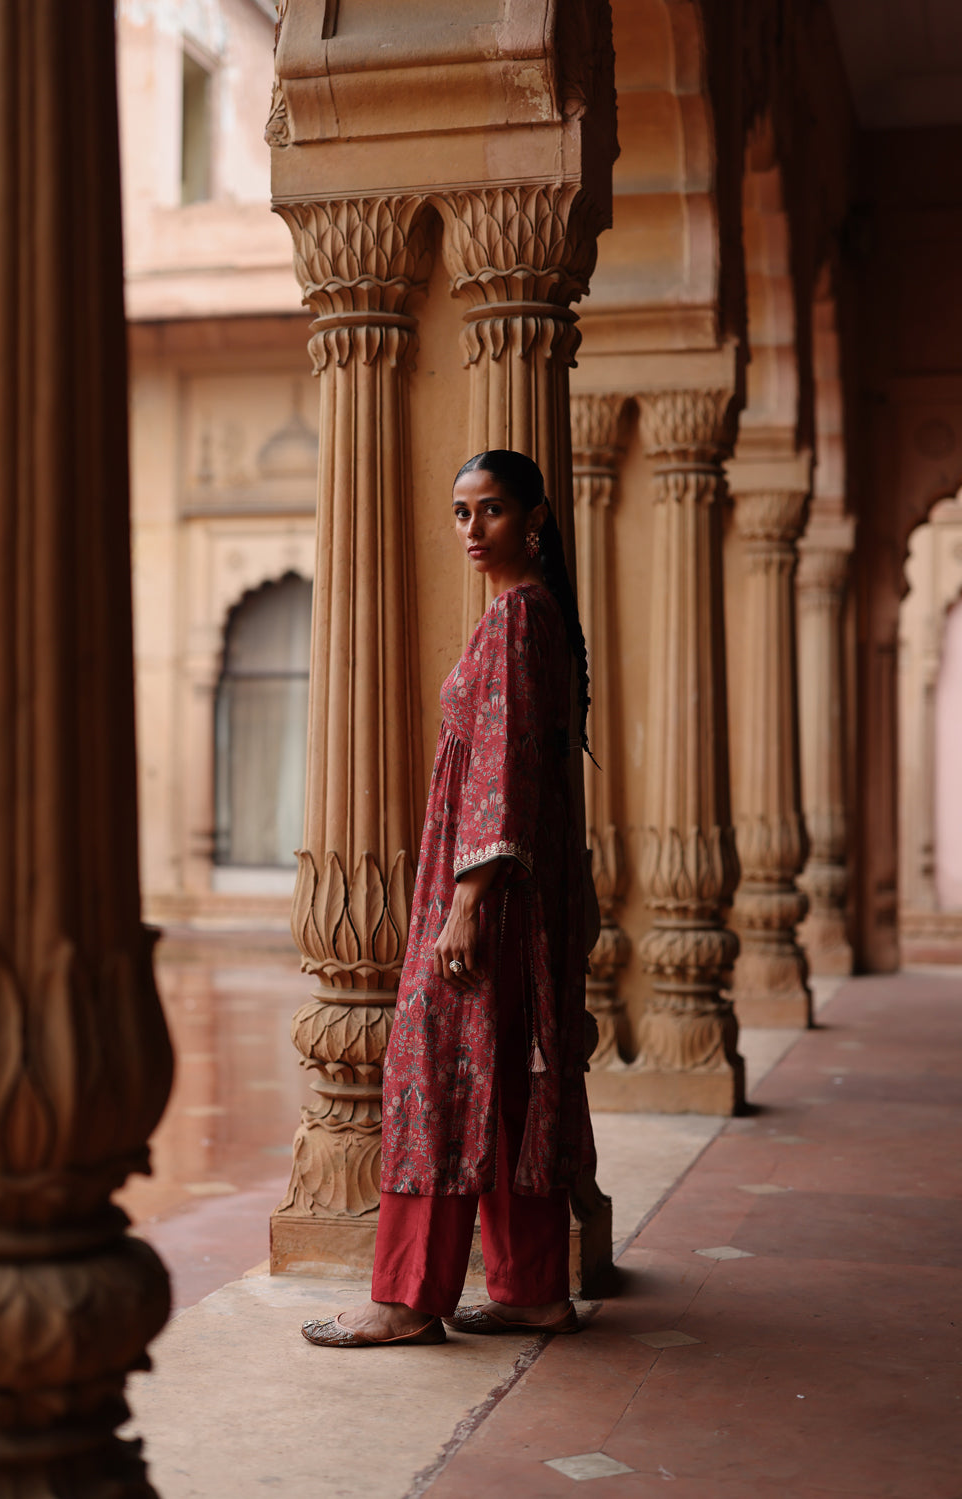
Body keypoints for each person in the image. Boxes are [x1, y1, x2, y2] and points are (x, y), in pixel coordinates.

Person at [302, 449, 598, 1349]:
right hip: (518, 887)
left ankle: (406, 1295)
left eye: (493, 510)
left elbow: (501, 769)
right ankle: (530, 1287)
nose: (473, 529)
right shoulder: (539, 616)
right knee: (511, 1073)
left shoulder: (516, 619)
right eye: (462, 512)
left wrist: (467, 903)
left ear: (535, 518)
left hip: (489, 889)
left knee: (430, 1070)